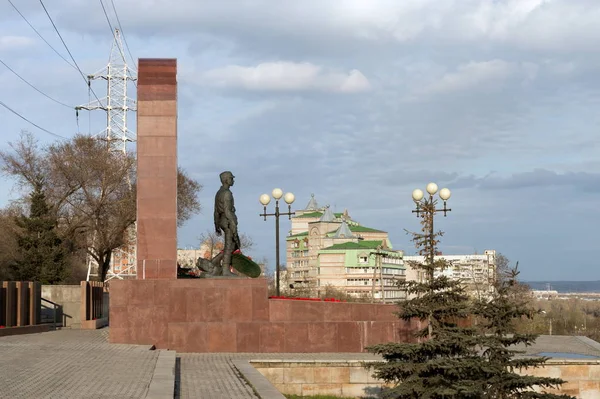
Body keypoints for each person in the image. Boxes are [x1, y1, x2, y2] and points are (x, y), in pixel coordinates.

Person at [213, 171, 241, 276]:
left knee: (233, 244)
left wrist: (216, 225)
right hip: (228, 221)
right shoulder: (227, 194)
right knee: (230, 245)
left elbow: (216, 211)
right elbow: (227, 211)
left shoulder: (219, 192)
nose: (233, 180)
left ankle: (215, 261)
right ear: (226, 180)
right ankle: (225, 269)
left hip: (222, 221)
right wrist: (233, 224)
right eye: (231, 178)